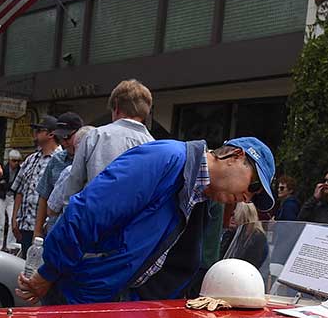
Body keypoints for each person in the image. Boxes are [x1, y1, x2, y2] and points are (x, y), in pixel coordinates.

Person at [18, 136, 275, 305]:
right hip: (82, 298)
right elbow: (87, 213)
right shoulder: (166, 158)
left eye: (255, 197)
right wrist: (49, 272)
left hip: (118, 305)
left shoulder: (201, 196)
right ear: (236, 156)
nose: (247, 198)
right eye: (253, 186)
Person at [45, 79, 154, 219]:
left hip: (93, 224)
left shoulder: (95, 136)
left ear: (116, 107)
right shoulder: (153, 144)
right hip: (133, 230)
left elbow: (73, 187)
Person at [12, 117, 56, 253]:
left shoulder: (59, 159)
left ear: (50, 134)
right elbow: (19, 190)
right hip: (26, 225)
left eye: (39, 130)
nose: (35, 133)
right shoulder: (31, 159)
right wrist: (14, 219)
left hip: (45, 227)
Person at [35, 115, 84, 237]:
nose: (63, 142)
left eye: (67, 137)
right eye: (60, 138)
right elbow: (44, 196)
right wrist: (37, 231)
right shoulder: (57, 160)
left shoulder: (92, 160)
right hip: (54, 230)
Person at [222, 201, 269, 268]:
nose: (231, 218)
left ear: (245, 217)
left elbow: (251, 265)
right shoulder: (231, 234)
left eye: (234, 215)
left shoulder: (258, 238)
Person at [0, 148, 20, 250]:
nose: (16, 163)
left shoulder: (19, 170)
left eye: (18, 161)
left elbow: (16, 186)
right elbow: (0, 184)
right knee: (1, 223)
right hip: (1, 197)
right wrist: (8, 185)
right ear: (9, 160)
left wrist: (7, 185)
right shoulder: (3, 169)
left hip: (11, 198)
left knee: (11, 222)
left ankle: (10, 246)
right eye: (14, 160)